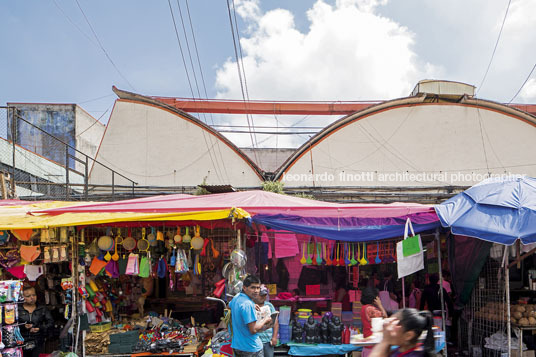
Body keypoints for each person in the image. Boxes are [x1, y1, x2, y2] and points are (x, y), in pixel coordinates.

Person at [229, 275, 273, 357]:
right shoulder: (247, 304)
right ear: (244, 288)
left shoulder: (237, 298)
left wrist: (252, 305)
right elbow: (253, 329)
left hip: (238, 346)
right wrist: (265, 320)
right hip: (251, 347)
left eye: (258, 288)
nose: (256, 291)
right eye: (253, 288)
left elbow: (229, 307)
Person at [369, 308, 435, 357]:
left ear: (408, 335)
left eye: (394, 323)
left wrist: (385, 341)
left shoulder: (415, 355)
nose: (388, 326)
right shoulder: (399, 350)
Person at [18, 285, 54, 357]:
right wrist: (23, 326)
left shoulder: (42, 308)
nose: (32, 298)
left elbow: (50, 322)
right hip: (21, 341)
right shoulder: (18, 309)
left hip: (37, 341)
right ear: (22, 297)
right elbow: (13, 325)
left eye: (34, 295)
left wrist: (40, 328)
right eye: (28, 296)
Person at [360, 287, 387, 357]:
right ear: (375, 298)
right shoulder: (371, 309)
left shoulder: (364, 307)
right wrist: (380, 305)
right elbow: (386, 319)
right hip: (373, 344)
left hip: (368, 342)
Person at [254, 285, 279, 357]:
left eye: (264, 295)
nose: (263, 297)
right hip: (255, 341)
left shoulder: (269, 305)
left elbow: (276, 322)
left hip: (268, 341)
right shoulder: (251, 306)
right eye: (261, 295)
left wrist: (274, 337)